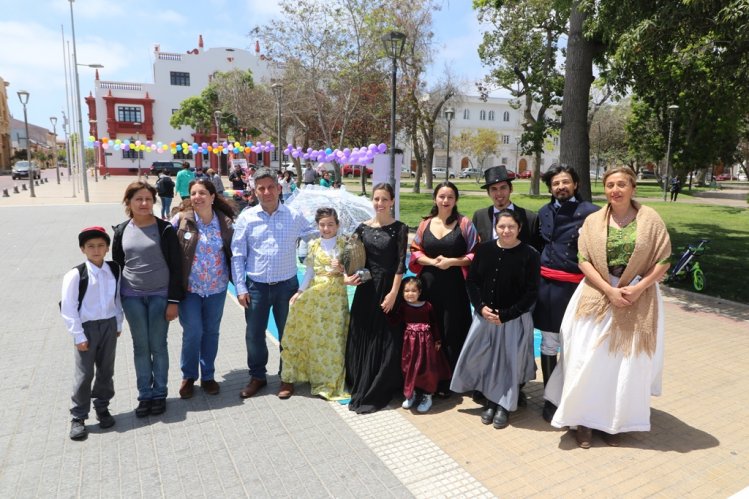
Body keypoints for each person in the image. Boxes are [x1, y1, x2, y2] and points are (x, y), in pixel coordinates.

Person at [545, 166, 671, 448]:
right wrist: (608, 289)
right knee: (587, 359)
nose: (615, 190)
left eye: (622, 184)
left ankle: (614, 421)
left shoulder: (650, 220)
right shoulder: (593, 220)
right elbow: (583, 259)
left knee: (624, 363)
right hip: (597, 294)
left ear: (633, 187)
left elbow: (663, 260)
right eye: (610, 184)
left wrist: (638, 288)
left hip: (638, 296)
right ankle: (584, 422)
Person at [451, 209, 540, 429]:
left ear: (519, 228)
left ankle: (503, 405)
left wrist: (507, 314)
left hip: (513, 318)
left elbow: (531, 292)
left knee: (509, 363)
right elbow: (472, 282)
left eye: (511, 226)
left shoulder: (530, 254)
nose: (506, 230)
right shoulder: (485, 250)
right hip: (485, 317)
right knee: (486, 359)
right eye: (502, 226)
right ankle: (490, 399)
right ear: (495, 228)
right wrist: (481, 308)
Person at [231, 168, 315, 399]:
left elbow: (316, 235)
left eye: (271, 187)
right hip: (256, 287)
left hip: (286, 287)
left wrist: (335, 232)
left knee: (288, 334)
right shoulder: (246, 218)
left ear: (279, 188)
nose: (267, 192)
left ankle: (286, 377)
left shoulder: (294, 216)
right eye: (261, 188)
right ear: (255, 191)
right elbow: (237, 255)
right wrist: (240, 287)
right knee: (254, 334)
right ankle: (257, 376)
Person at [534, 165, 599, 422]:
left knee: (575, 344)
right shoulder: (543, 212)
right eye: (555, 183)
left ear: (576, 184)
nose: (560, 187)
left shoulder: (592, 213)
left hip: (576, 288)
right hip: (547, 287)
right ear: (550, 188)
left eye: (565, 182)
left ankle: (573, 398)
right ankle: (550, 398)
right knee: (548, 342)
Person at [112, 182, 183, 418]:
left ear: (154, 201)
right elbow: (118, 266)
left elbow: (177, 266)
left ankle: (160, 392)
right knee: (140, 347)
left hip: (160, 296)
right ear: (129, 203)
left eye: (148, 199)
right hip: (132, 297)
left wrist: (174, 301)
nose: (144, 204)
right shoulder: (121, 230)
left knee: (158, 345)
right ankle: (145, 394)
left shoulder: (164, 229)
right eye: (138, 199)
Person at [408, 181, 478, 395]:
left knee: (453, 330)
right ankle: (430, 377)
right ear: (435, 198)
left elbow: (475, 253)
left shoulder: (465, 224)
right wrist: (430, 261)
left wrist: (452, 262)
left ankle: (452, 380)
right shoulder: (425, 224)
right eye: (441, 196)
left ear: (456, 200)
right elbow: (414, 250)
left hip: (455, 287)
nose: (445, 200)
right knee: (430, 329)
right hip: (429, 285)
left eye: (450, 197)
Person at [279, 208, 354, 400]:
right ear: (317, 225)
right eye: (322, 224)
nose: (326, 228)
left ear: (337, 224)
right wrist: (300, 292)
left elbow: (352, 274)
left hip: (336, 296)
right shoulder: (313, 245)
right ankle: (314, 375)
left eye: (330, 224)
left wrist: (343, 268)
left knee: (334, 339)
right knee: (316, 337)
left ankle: (331, 380)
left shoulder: (345, 243)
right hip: (317, 296)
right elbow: (310, 272)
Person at [345, 183, 409, 414]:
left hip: (389, 289)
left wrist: (393, 293)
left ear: (392, 201)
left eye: (384, 199)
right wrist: (346, 274)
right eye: (376, 199)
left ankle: (382, 383)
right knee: (363, 334)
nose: (380, 204)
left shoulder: (400, 228)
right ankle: (360, 377)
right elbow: (351, 258)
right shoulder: (361, 228)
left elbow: (401, 264)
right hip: (366, 289)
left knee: (388, 339)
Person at [171, 179, 236, 399]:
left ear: (212, 196)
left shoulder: (225, 223)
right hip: (189, 289)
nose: (197, 197)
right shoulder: (181, 220)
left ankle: (207, 375)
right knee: (193, 332)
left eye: (202, 193)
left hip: (217, 288)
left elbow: (237, 252)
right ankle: (189, 376)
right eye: (193, 193)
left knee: (211, 332)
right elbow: (164, 244)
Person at [60, 227, 123, 440]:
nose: (96, 250)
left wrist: (118, 324)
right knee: (85, 373)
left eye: (100, 246)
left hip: (108, 325)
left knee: (106, 370)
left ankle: (102, 407)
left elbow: (117, 299)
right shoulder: (76, 274)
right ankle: (78, 416)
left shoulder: (114, 270)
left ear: (107, 248)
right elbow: (68, 307)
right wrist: (78, 335)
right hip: (86, 328)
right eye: (90, 246)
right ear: (82, 249)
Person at [389, 276, 451, 413]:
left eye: (413, 291)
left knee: (426, 368)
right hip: (410, 344)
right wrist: (385, 310)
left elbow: (434, 324)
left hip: (426, 343)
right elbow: (395, 320)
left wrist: (437, 340)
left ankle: (427, 395)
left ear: (420, 292)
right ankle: (411, 393)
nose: (409, 294)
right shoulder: (403, 307)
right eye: (406, 291)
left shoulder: (428, 306)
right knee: (409, 367)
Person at [472, 165, 539, 247]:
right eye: (494, 189)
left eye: (503, 188)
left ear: (511, 189)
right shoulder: (479, 217)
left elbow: (536, 250)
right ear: (488, 193)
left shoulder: (530, 218)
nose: (499, 193)